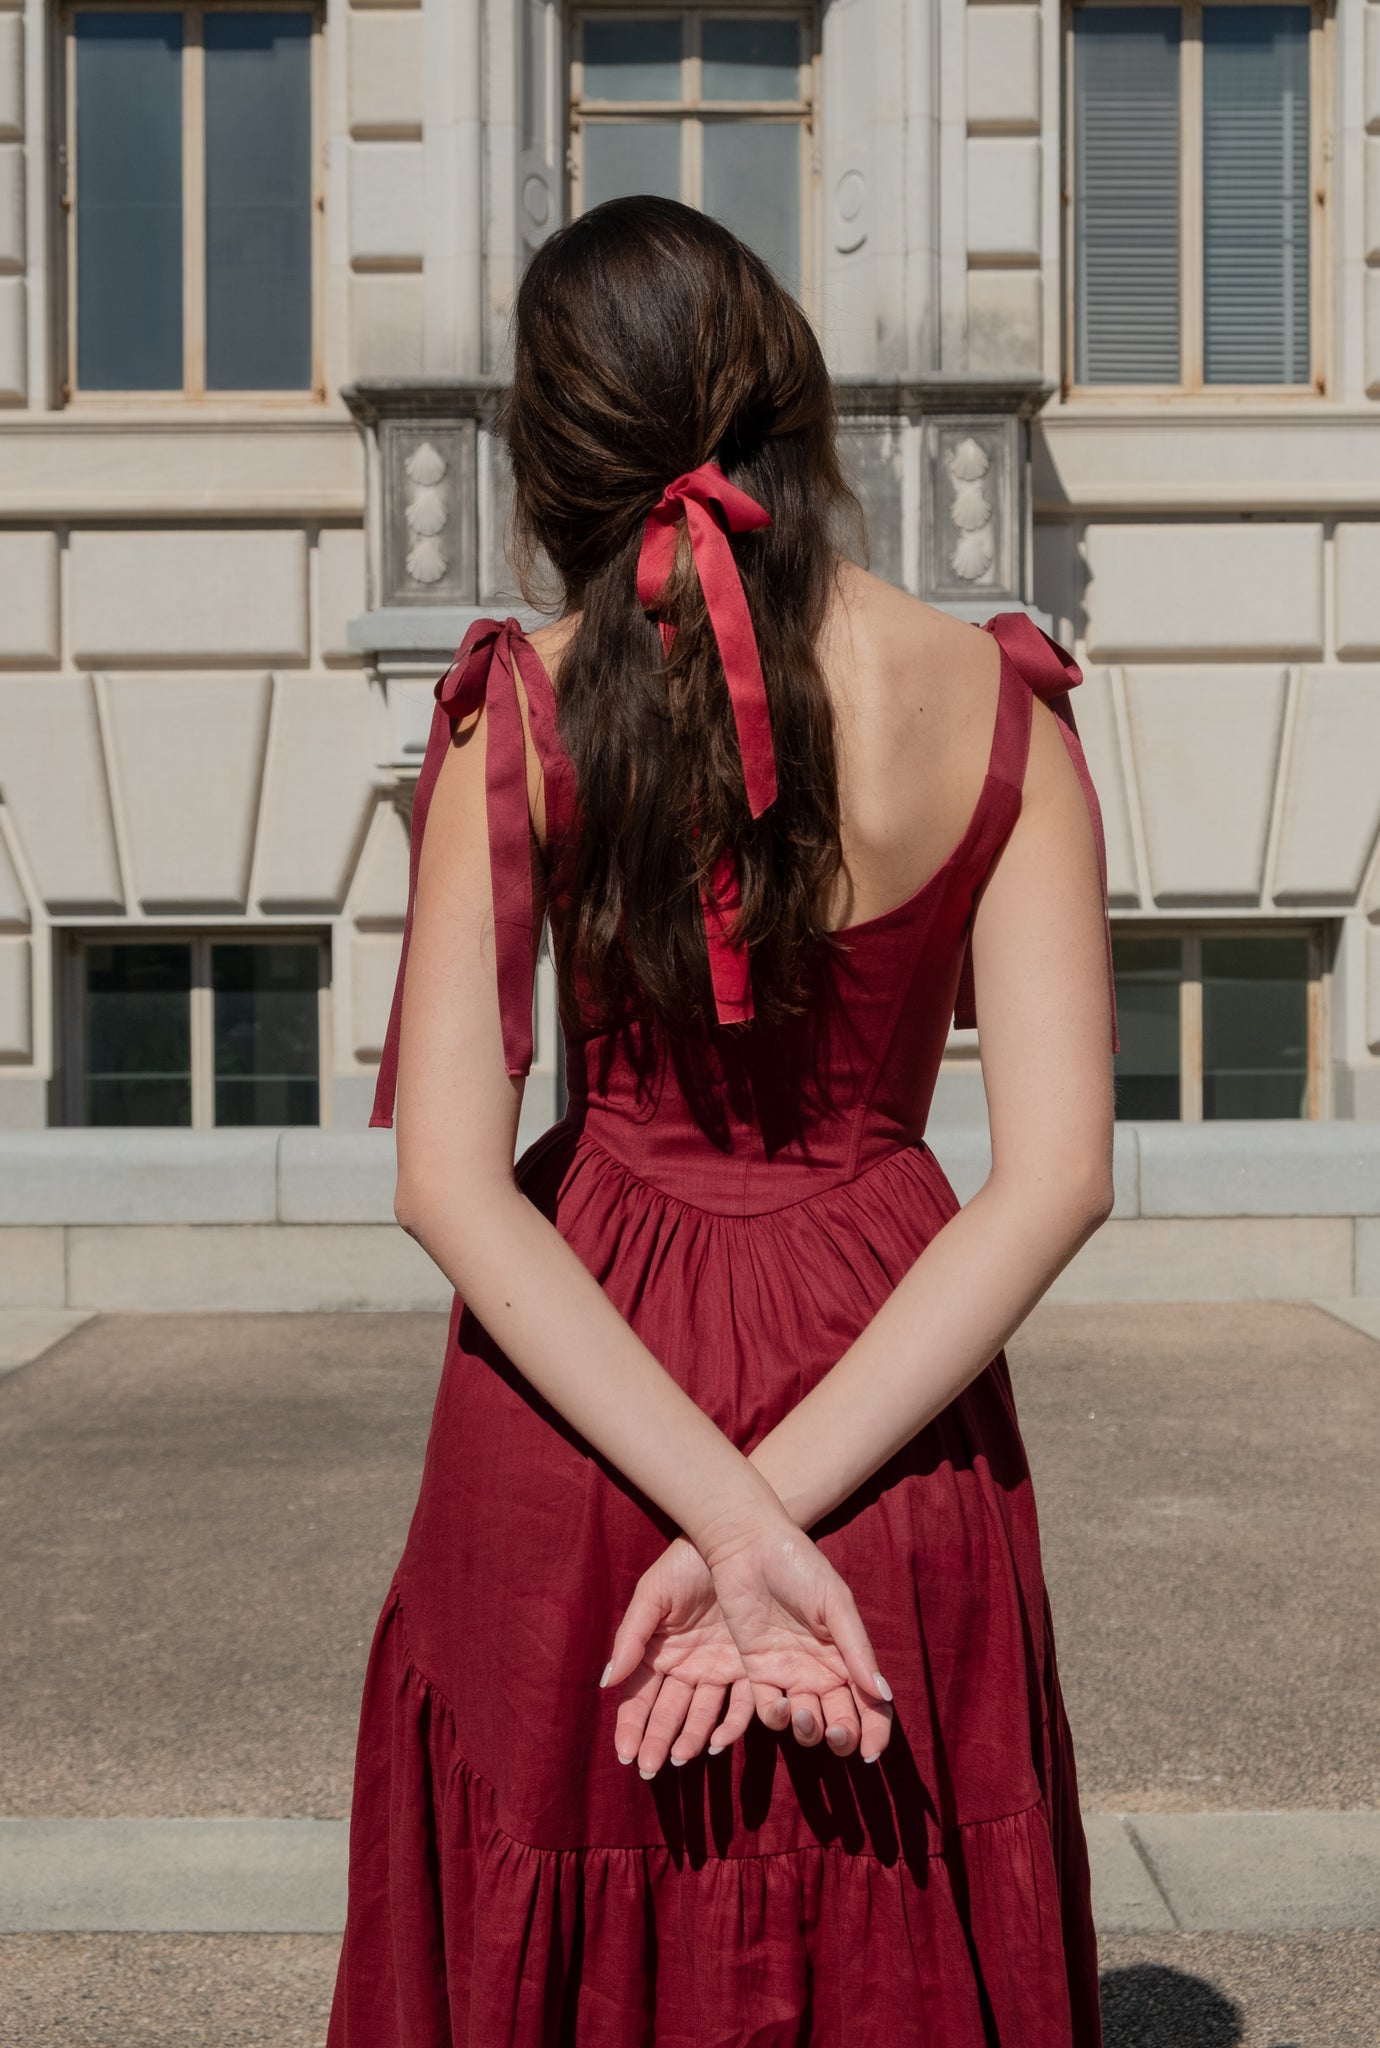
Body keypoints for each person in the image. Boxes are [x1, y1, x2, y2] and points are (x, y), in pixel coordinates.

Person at [327, 194, 1118, 2048]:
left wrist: (717, 1517)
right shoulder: (1006, 705)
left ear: (554, 454)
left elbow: (448, 1183)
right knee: (891, 1899)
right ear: (792, 392)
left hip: (587, 1404)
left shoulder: (518, 715)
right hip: (894, 1394)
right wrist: (787, 1517)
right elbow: (1059, 1174)